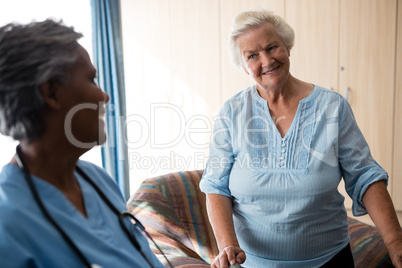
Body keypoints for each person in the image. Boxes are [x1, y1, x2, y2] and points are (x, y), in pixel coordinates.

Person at [200, 9, 402, 268]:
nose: (267, 60)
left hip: (329, 260)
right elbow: (216, 185)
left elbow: (364, 175)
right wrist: (228, 245)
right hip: (252, 263)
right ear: (243, 65)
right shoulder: (231, 113)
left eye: (272, 47)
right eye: (252, 55)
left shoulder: (332, 107)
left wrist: (395, 242)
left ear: (288, 47)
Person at [0, 19, 165, 268]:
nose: (104, 96)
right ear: (51, 93)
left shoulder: (97, 179)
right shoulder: (8, 222)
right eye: (91, 80)